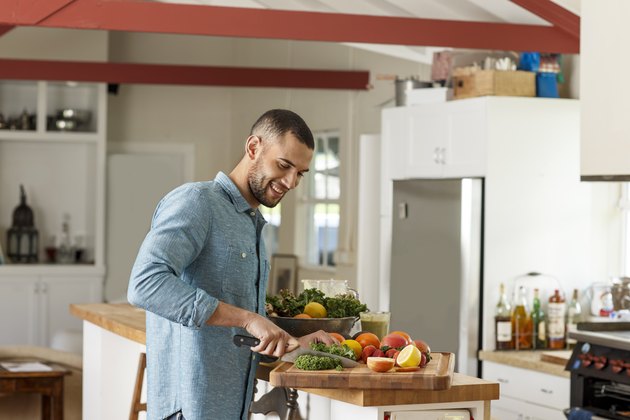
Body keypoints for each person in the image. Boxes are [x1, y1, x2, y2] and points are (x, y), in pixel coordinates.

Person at [127, 109, 335, 420]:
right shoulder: (197, 202)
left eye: (301, 173)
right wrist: (249, 319)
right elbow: (144, 285)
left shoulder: (251, 224)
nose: (292, 182)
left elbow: (236, 327)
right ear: (254, 148)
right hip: (190, 410)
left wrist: (292, 343)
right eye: (284, 165)